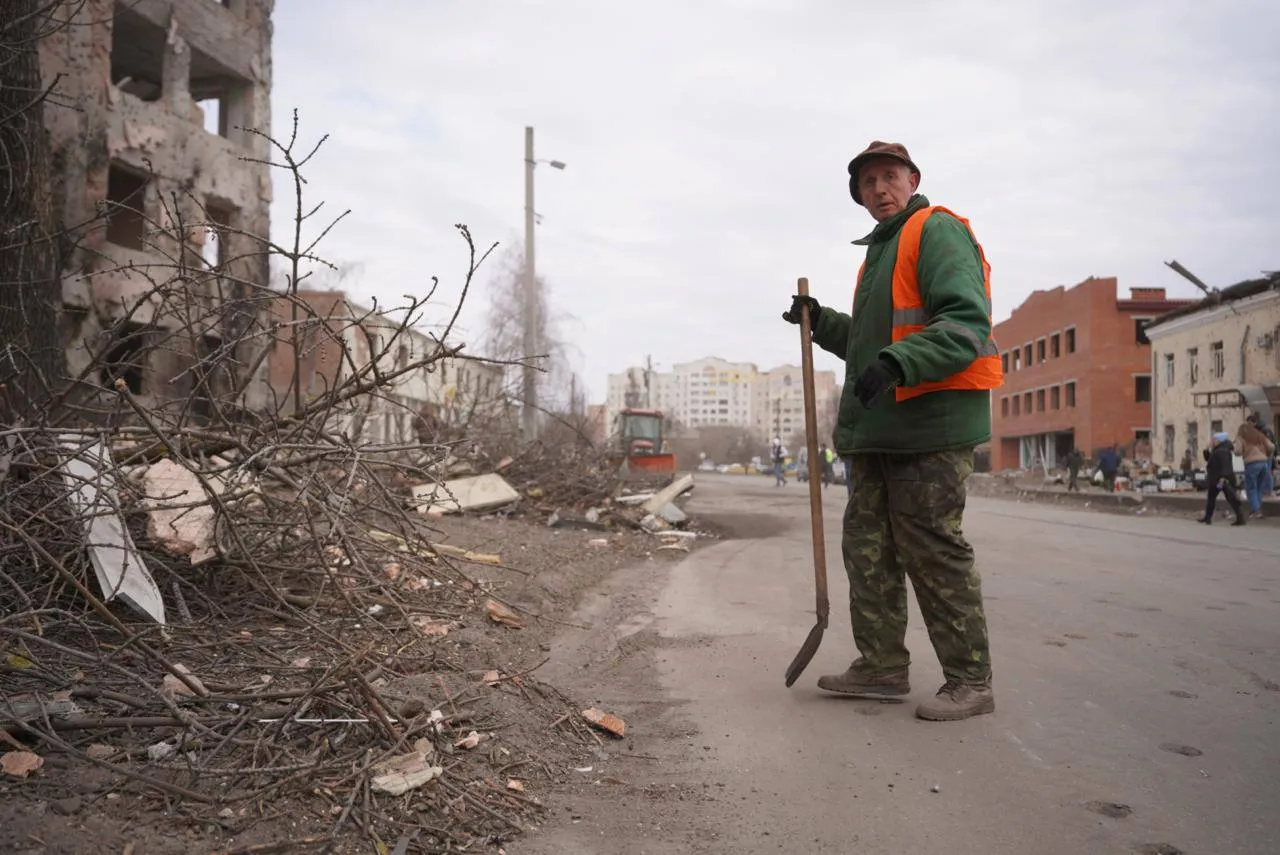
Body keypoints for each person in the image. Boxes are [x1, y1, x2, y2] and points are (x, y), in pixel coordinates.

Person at [782, 140, 1001, 721]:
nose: (879, 189)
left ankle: (970, 681)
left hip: (929, 427)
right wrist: (822, 322)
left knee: (933, 551)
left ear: (913, 180)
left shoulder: (935, 230)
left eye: (889, 177)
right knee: (869, 551)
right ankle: (880, 667)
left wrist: (900, 362)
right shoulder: (880, 253)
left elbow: (965, 322)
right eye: (867, 182)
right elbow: (871, 344)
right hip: (880, 431)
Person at [1200, 432, 1245, 526]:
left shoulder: (1222, 451)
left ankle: (1240, 518)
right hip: (1217, 479)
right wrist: (1206, 450)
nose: (1212, 441)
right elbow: (1209, 459)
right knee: (1213, 497)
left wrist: (1223, 478)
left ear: (1219, 441)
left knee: (1229, 497)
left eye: (1214, 439)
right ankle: (1207, 518)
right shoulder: (1218, 450)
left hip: (1221, 480)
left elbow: (1225, 466)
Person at [1235, 415, 1276, 519]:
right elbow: (1272, 446)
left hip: (1251, 464)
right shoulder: (1259, 435)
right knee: (1259, 487)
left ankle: (1255, 511)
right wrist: (1266, 454)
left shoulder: (1241, 436)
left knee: (1251, 488)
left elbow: (1238, 451)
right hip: (1264, 463)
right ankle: (1258, 509)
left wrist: (1240, 452)